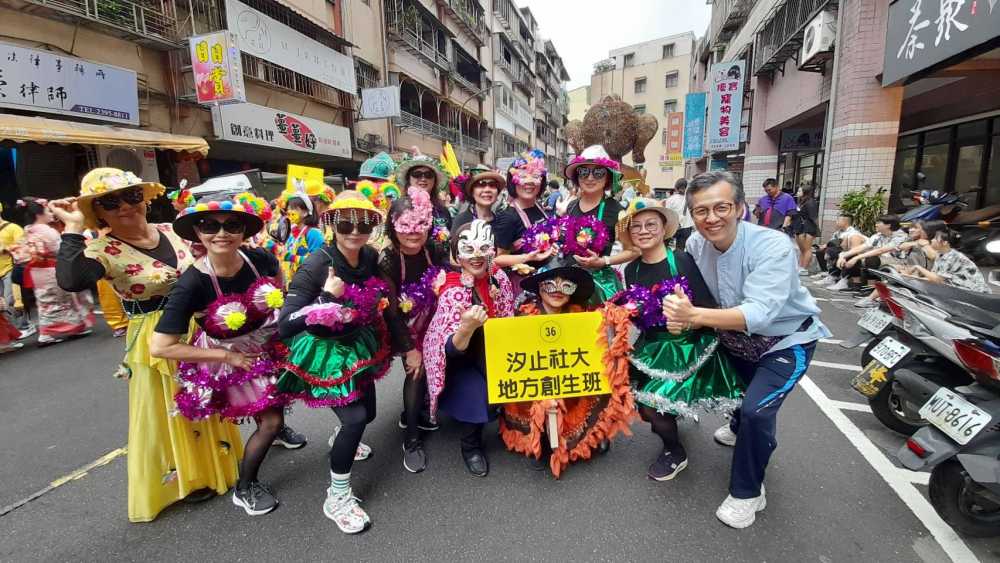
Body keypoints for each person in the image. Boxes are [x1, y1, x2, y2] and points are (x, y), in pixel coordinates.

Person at [52, 168, 243, 523]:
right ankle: (189, 477)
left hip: (196, 326)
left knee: (207, 394)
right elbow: (71, 280)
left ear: (144, 198)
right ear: (98, 212)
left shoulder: (171, 230)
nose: (125, 206)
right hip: (155, 335)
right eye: (110, 202)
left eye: (131, 196)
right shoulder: (101, 249)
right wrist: (73, 228)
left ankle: (219, 460)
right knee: (170, 407)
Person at [663, 171, 830, 529]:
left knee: (757, 411)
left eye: (721, 207)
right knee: (739, 391)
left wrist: (692, 316)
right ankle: (738, 426)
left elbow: (759, 313)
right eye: (701, 211)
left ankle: (747, 492)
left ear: (739, 208)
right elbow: (691, 292)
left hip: (785, 340)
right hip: (733, 339)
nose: (711, 218)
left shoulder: (773, 245)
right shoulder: (695, 245)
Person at [276, 191, 416, 534]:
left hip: (359, 346)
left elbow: (388, 302)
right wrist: (326, 298)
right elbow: (285, 324)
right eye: (346, 223)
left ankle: (341, 438)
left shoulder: (369, 255)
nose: (355, 231)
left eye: (364, 224)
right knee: (355, 419)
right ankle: (337, 496)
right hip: (325, 352)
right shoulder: (316, 264)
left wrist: (407, 347)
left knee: (367, 414)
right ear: (331, 224)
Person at [150, 193, 291, 516]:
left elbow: (280, 286)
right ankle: (245, 487)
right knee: (271, 420)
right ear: (197, 232)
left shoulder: (261, 259)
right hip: (230, 356)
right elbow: (160, 346)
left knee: (280, 395)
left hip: (269, 341)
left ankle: (278, 432)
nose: (222, 233)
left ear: (244, 231)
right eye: (210, 226)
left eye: (232, 225)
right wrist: (228, 358)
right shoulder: (191, 284)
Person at [612, 198, 743, 481]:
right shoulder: (631, 269)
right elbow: (639, 315)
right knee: (646, 408)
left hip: (687, 346)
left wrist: (686, 321)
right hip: (652, 347)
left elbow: (707, 306)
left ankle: (674, 451)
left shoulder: (681, 260)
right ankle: (672, 428)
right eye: (636, 227)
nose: (643, 231)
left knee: (653, 407)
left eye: (651, 225)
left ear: (663, 229)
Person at [500, 259, 631, 477]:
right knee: (536, 401)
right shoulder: (524, 316)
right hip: (537, 383)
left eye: (566, 286)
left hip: (573, 382)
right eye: (550, 284)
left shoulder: (581, 315)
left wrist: (616, 319)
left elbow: (598, 348)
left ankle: (592, 433)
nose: (557, 291)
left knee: (605, 375)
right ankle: (540, 438)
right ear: (539, 287)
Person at [423, 220, 515, 477]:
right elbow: (449, 350)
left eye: (483, 248)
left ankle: (513, 424)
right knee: (479, 393)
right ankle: (470, 445)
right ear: (457, 254)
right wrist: (466, 328)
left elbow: (508, 316)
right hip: (461, 360)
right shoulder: (452, 289)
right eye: (468, 249)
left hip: (494, 349)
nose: (476, 256)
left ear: (492, 250)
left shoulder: (499, 277)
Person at [379, 187, 449, 473]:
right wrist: (409, 350)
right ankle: (411, 439)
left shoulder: (435, 248)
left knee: (435, 368)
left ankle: (419, 411)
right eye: (405, 225)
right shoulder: (388, 259)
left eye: (421, 223)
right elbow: (392, 312)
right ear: (393, 225)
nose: (413, 232)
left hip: (433, 318)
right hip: (402, 324)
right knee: (416, 372)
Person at [563, 145, 639, 301]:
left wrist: (604, 261)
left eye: (598, 173)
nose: (590, 178)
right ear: (577, 177)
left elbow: (634, 250)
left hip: (598, 288)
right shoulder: (571, 207)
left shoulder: (617, 210)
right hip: (567, 283)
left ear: (608, 178)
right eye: (584, 172)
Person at [19, 197, 93, 345]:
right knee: (61, 298)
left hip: (37, 271)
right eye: (48, 211)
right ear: (39, 214)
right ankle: (49, 332)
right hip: (50, 269)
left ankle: (67, 328)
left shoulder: (28, 230)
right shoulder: (47, 231)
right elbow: (59, 249)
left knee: (46, 300)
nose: (51, 214)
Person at [492, 150, 558, 291]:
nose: (529, 182)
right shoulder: (508, 217)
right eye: (522, 176)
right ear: (513, 181)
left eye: (535, 176)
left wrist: (551, 246)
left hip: (548, 280)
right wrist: (527, 257)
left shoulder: (538, 207)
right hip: (524, 286)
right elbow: (497, 259)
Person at [899, 228, 990, 293]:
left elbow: (937, 280)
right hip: (960, 289)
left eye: (935, 238)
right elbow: (933, 278)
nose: (932, 240)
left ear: (945, 243)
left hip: (974, 293)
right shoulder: (941, 254)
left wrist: (917, 267)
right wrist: (909, 276)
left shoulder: (952, 257)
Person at [835, 214, 907, 291]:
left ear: (888, 225)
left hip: (897, 261)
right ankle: (856, 284)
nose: (876, 225)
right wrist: (843, 256)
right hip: (881, 258)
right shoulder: (878, 235)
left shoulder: (900, 236)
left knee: (871, 258)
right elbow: (862, 247)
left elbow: (881, 250)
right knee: (852, 255)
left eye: (879, 223)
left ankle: (870, 287)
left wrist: (857, 258)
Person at [396, 154, 452, 233]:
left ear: (434, 181)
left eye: (428, 175)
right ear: (409, 179)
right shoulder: (398, 208)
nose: (423, 179)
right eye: (417, 174)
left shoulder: (443, 211)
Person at [0, 201, 32, 336]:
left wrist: (5, 248)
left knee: (11, 300)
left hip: (10, 268)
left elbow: (22, 246)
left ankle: (25, 325)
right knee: (2, 306)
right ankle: (11, 332)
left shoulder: (13, 228)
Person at [813, 213, 867, 288]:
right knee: (821, 251)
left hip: (860, 257)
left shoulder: (853, 234)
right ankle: (829, 274)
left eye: (838, 220)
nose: (836, 221)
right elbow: (832, 243)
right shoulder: (838, 232)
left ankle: (840, 278)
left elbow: (855, 251)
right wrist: (823, 247)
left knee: (835, 253)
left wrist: (841, 254)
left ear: (845, 222)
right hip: (845, 253)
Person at [793, 184, 819, 275]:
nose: (797, 192)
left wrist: (817, 230)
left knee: (807, 249)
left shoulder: (811, 202)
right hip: (800, 226)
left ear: (805, 192)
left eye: (799, 191)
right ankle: (800, 267)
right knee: (802, 249)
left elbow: (814, 218)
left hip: (808, 227)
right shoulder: (801, 202)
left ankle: (804, 268)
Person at [663, 178, 694, 251]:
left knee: (664, 246)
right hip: (686, 227)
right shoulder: (691, 199)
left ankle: (666, 257)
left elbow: (667, 214)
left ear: (676, 187)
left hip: (673, 226)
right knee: (680, 249)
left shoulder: (671, 199)